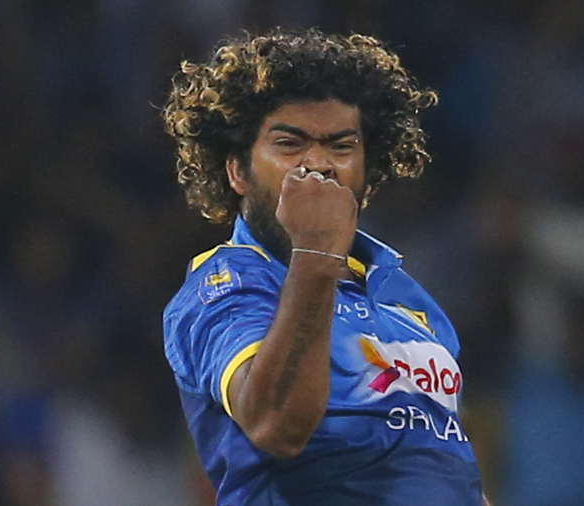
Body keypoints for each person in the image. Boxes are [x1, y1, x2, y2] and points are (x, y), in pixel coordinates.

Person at [161, 28, 485, 506]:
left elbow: (447, 472)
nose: (317, 163)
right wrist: (316, 252)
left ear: (368, 173)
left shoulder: (408, 298)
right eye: (289, 144)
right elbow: (275, 425)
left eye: (340, 145)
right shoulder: (225, 286)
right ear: (236, 171)